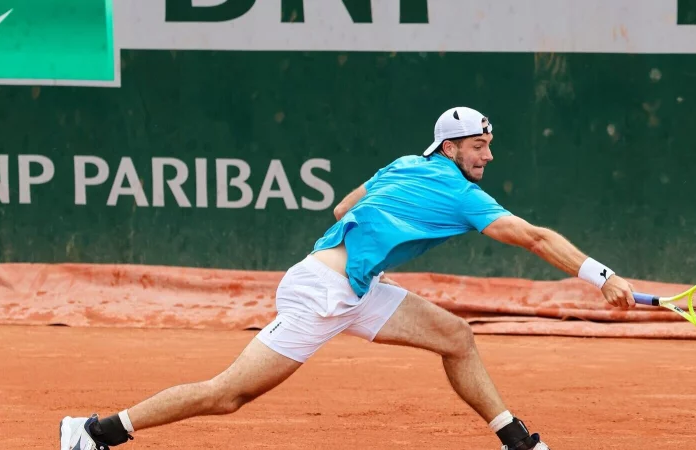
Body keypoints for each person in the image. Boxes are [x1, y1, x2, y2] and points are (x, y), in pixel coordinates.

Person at [59, 106, 636, 450]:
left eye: (489, 147)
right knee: (228, 395)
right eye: (480, 147)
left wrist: (386, 225)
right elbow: (534, 236)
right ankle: (95, 432)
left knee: (457, 338)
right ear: (453, 147)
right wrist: (600, 274)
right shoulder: (460, 193)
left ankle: (518, 441)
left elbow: (341, 209)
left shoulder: (407, 165)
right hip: (321, 294)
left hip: (354, 286)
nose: (488, 156)